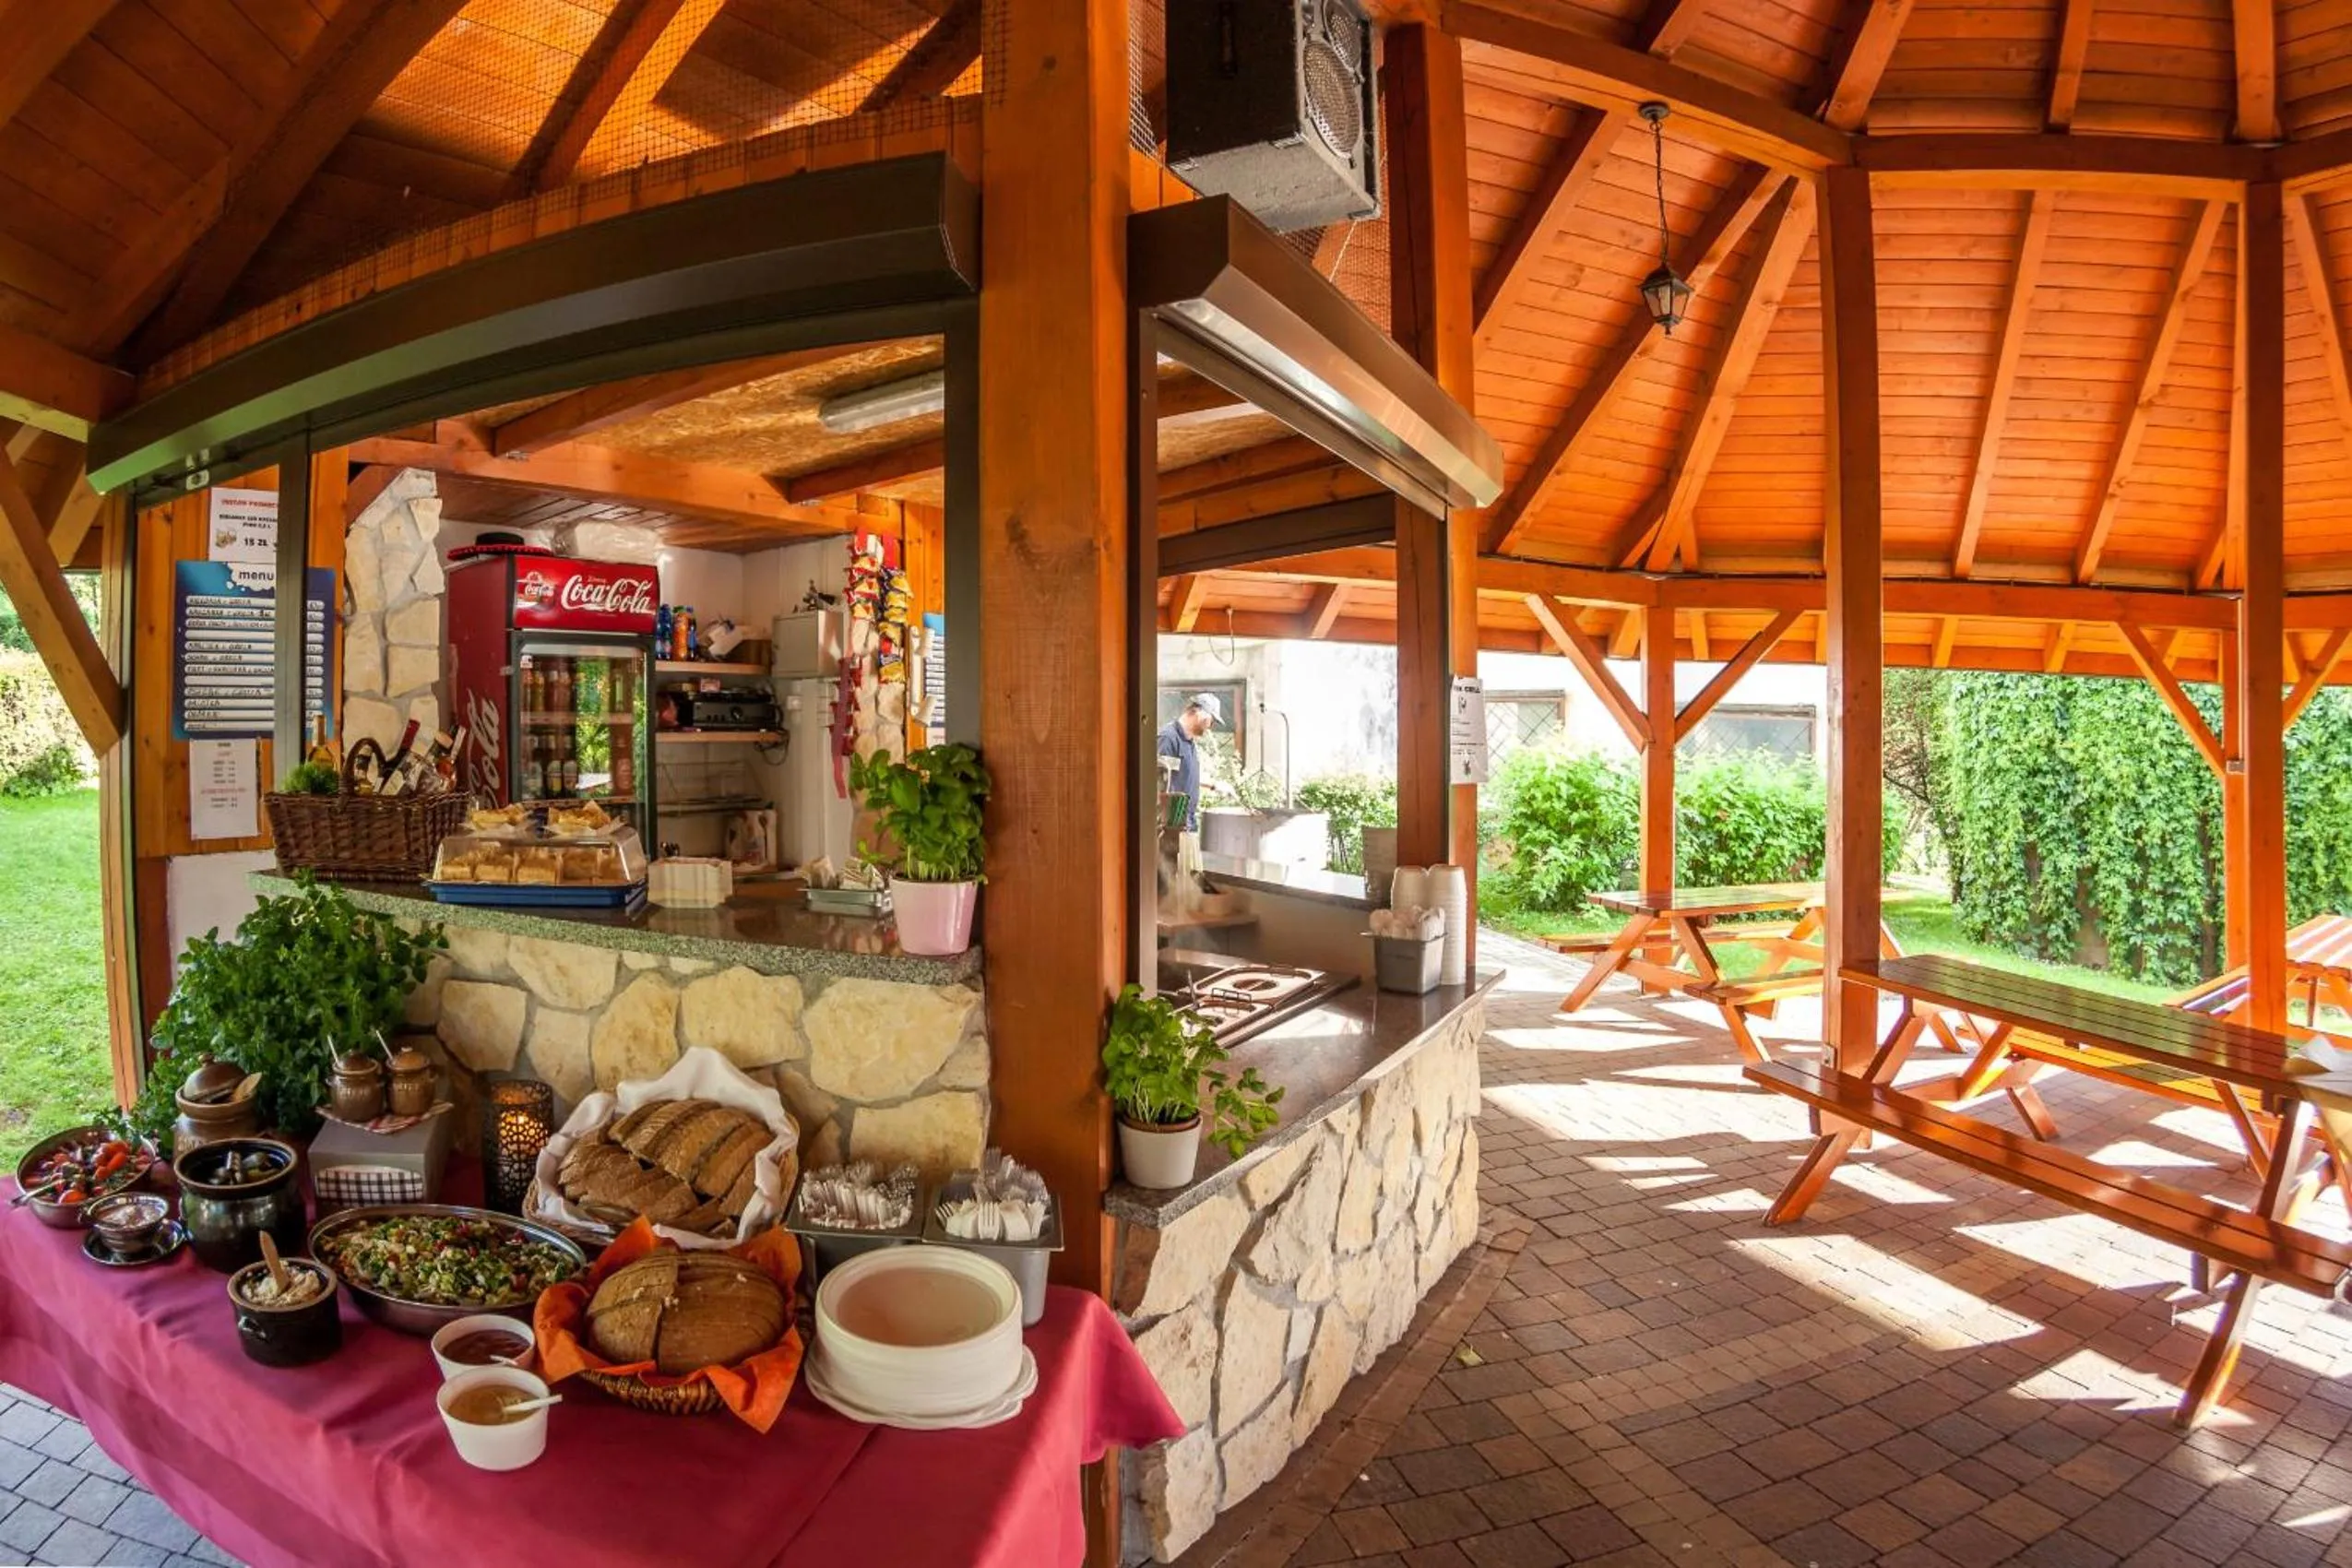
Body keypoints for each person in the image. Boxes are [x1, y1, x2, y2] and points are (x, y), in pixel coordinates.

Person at [1157, 693, 1222, 833]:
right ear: (1198, 712)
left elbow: (1183, 775)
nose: (1211, 726)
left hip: (1187, 823)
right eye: (1212, 720)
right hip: (1172, 825)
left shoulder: (1189, 742)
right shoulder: (1168, 738)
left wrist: (1214, 785)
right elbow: (1159, 783)